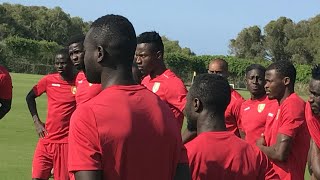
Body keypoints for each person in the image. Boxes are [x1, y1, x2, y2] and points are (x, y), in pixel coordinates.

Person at [68, 14, 190, 180]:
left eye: (86, 51)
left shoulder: (87, 116)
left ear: (99, 53)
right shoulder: (164, 110)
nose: (83, 59)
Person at [184, 73, 279, 180]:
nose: (184, 107)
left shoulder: (186, 154)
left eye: (187, 100)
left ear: (196, 104)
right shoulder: (255, 154)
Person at [26, 48, 76, 180]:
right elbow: (29, 97)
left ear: (71, 63)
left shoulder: (79, 82)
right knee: (37, 177)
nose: (60, 66)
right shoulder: (48, 81)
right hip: (46, 139)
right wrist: (37, 122)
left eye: (63, 63)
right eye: (57, 63)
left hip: (66, 143)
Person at [256, 60, 310, 180]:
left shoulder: (293, 105)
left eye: (270, 81)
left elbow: (280, 154)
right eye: (265, 81)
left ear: (286, 81)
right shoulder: (276, 104)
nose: (265, 85)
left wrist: (259, 147)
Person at [182, 58, 244, 143]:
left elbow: (243, 134)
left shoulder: (237, 101)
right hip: (204, 146)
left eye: (219, 72)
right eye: (211, 72)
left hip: (226, 149)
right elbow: (193, 127)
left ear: (227, 74)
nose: (214, 75)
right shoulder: (201, 95)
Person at [135, 31, 188, 130]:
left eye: (143, 56)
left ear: (158, 55)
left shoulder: (173, 84)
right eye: (137, 56)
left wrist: (180, 143)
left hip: (167, 145)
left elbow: (195, 117)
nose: (138, 60)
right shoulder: (145, 80)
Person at [239, 64, 278, 145]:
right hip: (250, 155)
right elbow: (243, 132)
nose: (255, 82)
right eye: (251, 78)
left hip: (266, 155)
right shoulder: (244, 105)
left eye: (259, 78)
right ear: (246, 80)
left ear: (265, 81)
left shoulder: (274, 103)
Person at [68, 34, 102, 105]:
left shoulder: (102, 77)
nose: (74, 57)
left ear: (87, 51)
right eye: (71, 54)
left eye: (77, 52)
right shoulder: (79, 77)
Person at [306, 65, 320, 180]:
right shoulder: (310, 111)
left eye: (316, 94)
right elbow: (312, 168)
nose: (310, 99)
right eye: (310, 93)